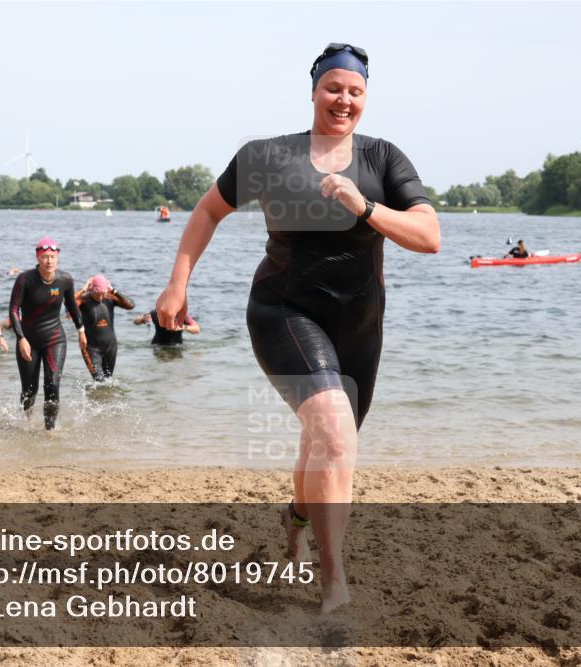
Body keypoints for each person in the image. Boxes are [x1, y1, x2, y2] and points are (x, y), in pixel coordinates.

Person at [154, 44, 440, 613]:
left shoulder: (384, 160)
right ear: (313, 91)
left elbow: (429, 236)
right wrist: (178, 284)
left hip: (360, 322)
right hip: (284, 310)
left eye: (355, 91)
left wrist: (366, 209)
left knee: (328, 441)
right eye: (334, 87)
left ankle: (297, 517)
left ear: (366, 98)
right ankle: (334, 584)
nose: (344, 99)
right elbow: (209, 210)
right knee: (334, 433)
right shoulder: (268, 155)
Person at [9, 237, 86, 430]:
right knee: (30, 389)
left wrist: (81, 331)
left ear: (57, 258)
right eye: (44, 257)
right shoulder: (25, 279)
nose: (49, 261)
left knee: (52, 384)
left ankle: (49, 429)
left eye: (52, 257)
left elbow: (73, 308)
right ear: (38, 257)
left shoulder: (65, 280)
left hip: (55, 339)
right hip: (29, 340)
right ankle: (25, 423)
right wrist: (21, 339)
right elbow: (13, 310)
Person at [77, 274, 134, 381]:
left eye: (103, 294)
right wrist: (84, 289)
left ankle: (104, 398)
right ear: (91, 289)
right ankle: (91, 397)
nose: (100, 297)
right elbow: (69, 302)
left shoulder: (109, 298)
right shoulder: (84, 300)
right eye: (97, 294)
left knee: (108, 380)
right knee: (98, 379)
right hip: (91, 348)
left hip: (111, 347)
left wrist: (114, 290)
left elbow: (131, 305)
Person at [133, 309, 199, 346]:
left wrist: (183, 327)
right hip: (157, 345)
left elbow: (197, 329)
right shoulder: (155, 313)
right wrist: (143, 319)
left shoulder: (182, 315)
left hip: (176, 346)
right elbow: (135, 321)